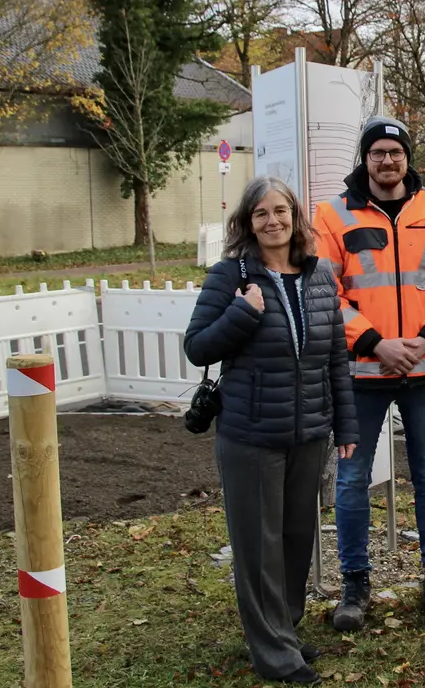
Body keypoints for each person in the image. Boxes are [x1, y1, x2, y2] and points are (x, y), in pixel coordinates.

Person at [184, 176, 360, 685]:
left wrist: (345, 423)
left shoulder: (321, 275)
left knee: (295, 538)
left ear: (296, 217)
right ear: (247, 223)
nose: (273, 221)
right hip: (251, 434)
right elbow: (198, 347)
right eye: (261, 214)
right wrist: (242, 312)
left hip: (308, 433)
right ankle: (274, 653)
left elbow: (335, 359)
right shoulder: (230, 276)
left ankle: (283, 628)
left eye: (280, 211)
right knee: (258, 545)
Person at [312, 116, 425, 632]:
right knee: (353, 479)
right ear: (365, 158)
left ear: (408, 157)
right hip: (362, 370)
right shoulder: (331, 214)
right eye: (378, 152)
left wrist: (424, 340)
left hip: (424, 368)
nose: (387, 161)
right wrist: (377, 343)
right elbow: (326, 292)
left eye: (395, 152)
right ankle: (355, 584)